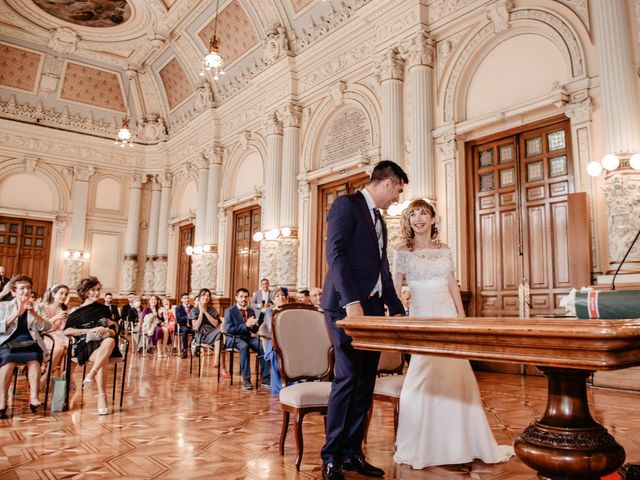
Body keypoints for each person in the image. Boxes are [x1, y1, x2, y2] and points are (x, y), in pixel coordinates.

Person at [392, 198, 513, 468]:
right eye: (413, 215)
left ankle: (462, 442)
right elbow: (395, 285)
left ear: (433, 219)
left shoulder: (444, 249)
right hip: (422, 318)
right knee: (421, 376)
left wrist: (461, 316)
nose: (418, 219)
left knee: (455, 376)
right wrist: (403, 302)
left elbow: (451, 283)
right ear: (408, 222)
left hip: (447, 315)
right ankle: (422, 443)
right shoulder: (403, 251)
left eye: (423, 213)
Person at [320, 160, 408, 480]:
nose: (397, 198)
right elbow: (336, 254)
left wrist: (396, 310)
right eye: (397, 190)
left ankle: (351, 453)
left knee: (365, 381)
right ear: (388, 182)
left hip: (371, 311)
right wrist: (352, 302)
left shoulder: (380, 221)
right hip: (344, 307)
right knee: (347, 378)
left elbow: (382, 269)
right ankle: (330, 457)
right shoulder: (347, 205)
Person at [64, 276, 116, 415]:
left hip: (104, 343)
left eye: (98, 290)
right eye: (93, 290)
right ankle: (102, 397)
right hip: (84, 344)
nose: (97, 293)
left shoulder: (104, 309)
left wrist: (107, 330)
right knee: (103, 358)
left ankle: (92, 373)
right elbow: (67, 331)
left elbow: (114, 331)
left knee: (110, 341)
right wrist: (89, 330)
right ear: (85, 292)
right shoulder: (76, 311)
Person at [0, 275, 50, 418]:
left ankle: (34, 398)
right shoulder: (3, 306)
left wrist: (33, 312)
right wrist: (18, 313)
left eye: (28, 288)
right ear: (14, 292)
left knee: (34, 359)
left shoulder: (38, 307)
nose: (26, 291)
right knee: (8, 360)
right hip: (7, 343)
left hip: (29, 342)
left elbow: (47, 326)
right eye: (22, 288)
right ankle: (2, 401)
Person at [224, 288, 268, 391]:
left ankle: (266, 377)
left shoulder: (250, 311)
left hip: (247, 337)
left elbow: (254, 329)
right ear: (236, 298)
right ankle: (246, 379)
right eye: (241, 297)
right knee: (244, 346)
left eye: (246, 297)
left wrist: (260, 318)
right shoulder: (229, 311)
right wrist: (246, 325)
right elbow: (230, 330)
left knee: (263, 346)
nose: (244, 299)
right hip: (234, 338)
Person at [37, 284, 70, 385]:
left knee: (71, 347)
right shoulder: (44, 308)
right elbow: (42, 327)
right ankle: (51, 377)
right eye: (61, 293)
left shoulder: (66, 310)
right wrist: (56, 317)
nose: (63, 296)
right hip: (48, 335)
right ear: (53, 294)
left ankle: (64, 376)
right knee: (60, 348)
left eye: (66, 294)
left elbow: (65, 328)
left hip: (62, 335)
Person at [189, 288, 226, 375]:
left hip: (213, 333)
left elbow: (215, 324)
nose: (206, 297)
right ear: (199, 297)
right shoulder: (194, 310)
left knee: (221, 336)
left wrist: (205, 312)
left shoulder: (212, 309)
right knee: (220, 336)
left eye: (208, 295)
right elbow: (196, 327)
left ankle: (219, 363)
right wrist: (201, 313)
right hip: (201, 335)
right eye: (204, 295)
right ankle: (220, 365)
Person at [262, 287, 289, 395]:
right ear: (273, 299)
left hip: (291, 342)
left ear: (286, 298)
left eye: (283, 295)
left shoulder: (291, 310)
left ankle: (293, 385)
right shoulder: (270, 312)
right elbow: (271, 329)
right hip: (276, 342)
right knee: (275, 354)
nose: (281, 297)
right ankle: (278, 389)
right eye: (277, 296)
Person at [175, 293, 192, 358]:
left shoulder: (192, 307)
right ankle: (185, 350)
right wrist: (187, 317)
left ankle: (193, 347)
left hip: (191, 325)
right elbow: (178, 319)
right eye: (185, 298)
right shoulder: (178, 308)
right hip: (182, 325)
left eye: (188, 298)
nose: (187, 299)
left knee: (197, 330)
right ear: (181, 299)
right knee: (185, 330)